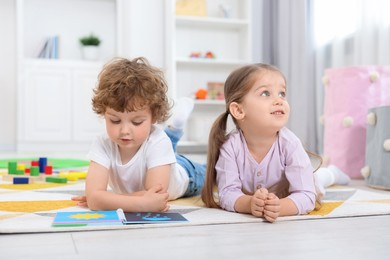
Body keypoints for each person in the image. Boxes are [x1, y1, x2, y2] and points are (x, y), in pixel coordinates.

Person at [201, 63, 350, 222]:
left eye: (282, 93)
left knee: (318, 180)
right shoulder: (230, 147)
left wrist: (281, 207)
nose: (279, 100)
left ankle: (333, 173)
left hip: (294, 188)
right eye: (265, 93)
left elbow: (306, 195)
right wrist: (249, 203)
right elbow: (227, 193)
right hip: (264, 196)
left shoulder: (290, 144)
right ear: (238, 110)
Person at [72, 57, 205, 212]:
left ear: (154, 117)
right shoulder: (102, 143)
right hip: (160, 157)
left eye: (136, 122)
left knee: (214, 172)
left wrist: (105, 199)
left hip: (190, 175)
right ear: (104, 113)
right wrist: (139, 202)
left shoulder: (158, 142)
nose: (124, 131)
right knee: (166, 148)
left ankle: (175, 130)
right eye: (115, 120)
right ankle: (174, 129)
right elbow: (95, 200)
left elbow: (154, 196)